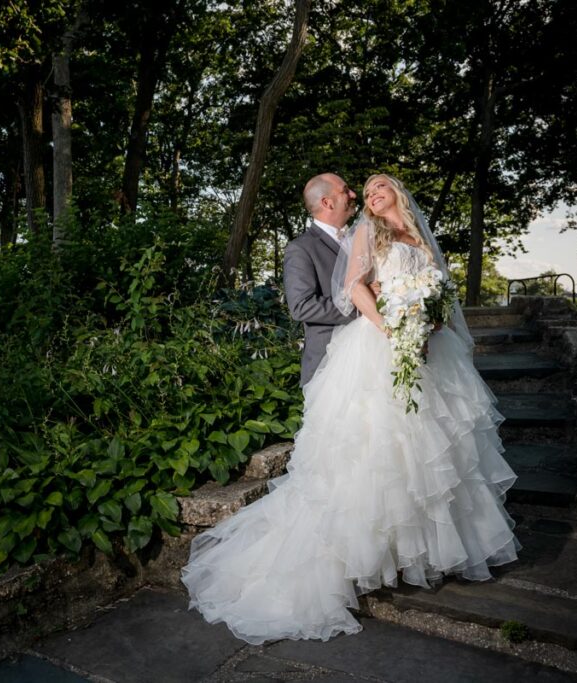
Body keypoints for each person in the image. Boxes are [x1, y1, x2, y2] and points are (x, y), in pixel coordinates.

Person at [181, 173, 520, 645]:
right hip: (367, 353)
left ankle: (415, 554)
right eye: (355, 190)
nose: (362, 195)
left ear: (399, 194)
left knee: (425, 451)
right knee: (369, 455)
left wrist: (426, 321)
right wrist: (391, 325)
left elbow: (433, 292)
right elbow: (337, 294)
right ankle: (355, 561)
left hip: (425, 352)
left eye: (378, 187)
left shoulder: (408, 233)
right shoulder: (337, 239)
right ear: (326, 202)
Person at [283, 173, 360, 386]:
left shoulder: (362, 239)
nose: (353, 194)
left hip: (371, 357)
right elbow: (301, 306)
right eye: (345, 190)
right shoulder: (301, 248)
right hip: (330, 366)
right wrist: (362, 306)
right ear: (327, 202)